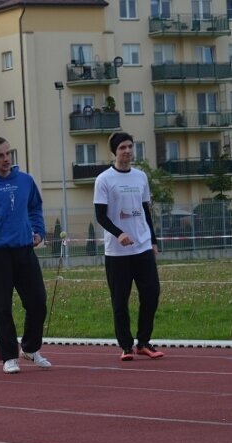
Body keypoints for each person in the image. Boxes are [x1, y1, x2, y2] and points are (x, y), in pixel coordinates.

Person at [0, 135, 51, 374]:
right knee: (2, 307)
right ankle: (8, 356)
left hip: (24, 251)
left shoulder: (25, 181)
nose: (5, 159)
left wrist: (38, 230)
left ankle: (30, 348)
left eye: (7, 153)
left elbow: (35, 206)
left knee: (38, 302)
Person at [94, 132, 163, 361]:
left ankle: (144, 342)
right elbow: (101, 217)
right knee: (120, 300)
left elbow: (145, 210)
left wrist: (152, 240)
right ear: (114, 151)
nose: (127, 151)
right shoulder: (104, 179)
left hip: (142, 247)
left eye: (130, 146)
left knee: (151, 293)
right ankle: (126, 346)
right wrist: (119, 233)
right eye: (122, 147)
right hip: (117, 252)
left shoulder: (140, 177)